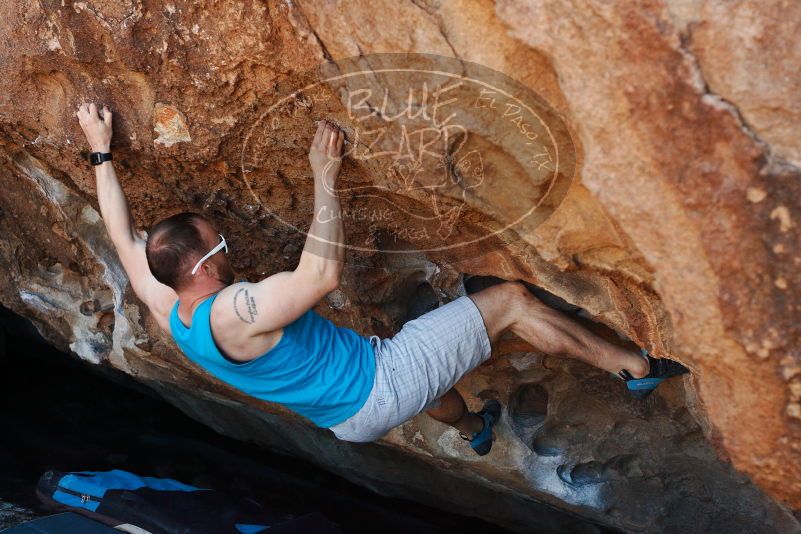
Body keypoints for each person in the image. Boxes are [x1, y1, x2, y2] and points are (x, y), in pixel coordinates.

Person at [76, 102, 688, 456]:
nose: (229, 250)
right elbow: (319, 275)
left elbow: (122, 236)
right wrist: (323, 174)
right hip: (382, 382)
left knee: (422, 381)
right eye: (222, 244)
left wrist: (101, 151)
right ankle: (634, 369)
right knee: (509, 301)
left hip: (348, 421)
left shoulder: (170, 309)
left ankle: (476, 430)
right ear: (205, 266)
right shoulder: (237, 309)